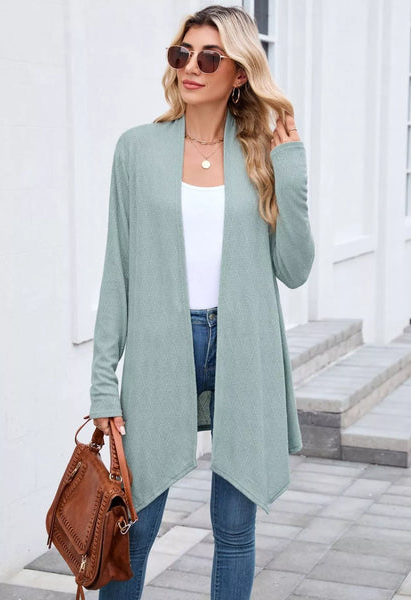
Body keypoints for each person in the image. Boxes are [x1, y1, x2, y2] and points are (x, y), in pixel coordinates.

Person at [89, 5, 315, 599]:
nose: (191, 66)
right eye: (182, 53)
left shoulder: (261, 154)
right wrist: (103, 384)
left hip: (244, 349)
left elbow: (295, 269)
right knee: (134, 527)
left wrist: (291, 169)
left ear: (239, 73)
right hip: (163, 346)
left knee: (235, 532)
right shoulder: (137, 149)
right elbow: (117, 272)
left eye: (210, 57)